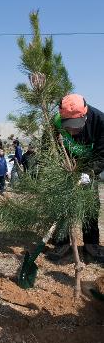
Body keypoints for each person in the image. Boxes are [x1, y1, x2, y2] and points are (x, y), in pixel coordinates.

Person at [47, 93, 104, 262]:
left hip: (89, 166)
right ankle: (62, 243)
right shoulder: (56, 122)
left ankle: (91, 245)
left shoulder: (100, 121)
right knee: (62, 204)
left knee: (90, 205)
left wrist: (89, 173)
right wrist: (59, 168)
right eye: (69, 126)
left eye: (76, 126)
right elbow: (48, 148)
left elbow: (102, 154)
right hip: (64, 166)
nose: (72, 130)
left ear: (84, 114)